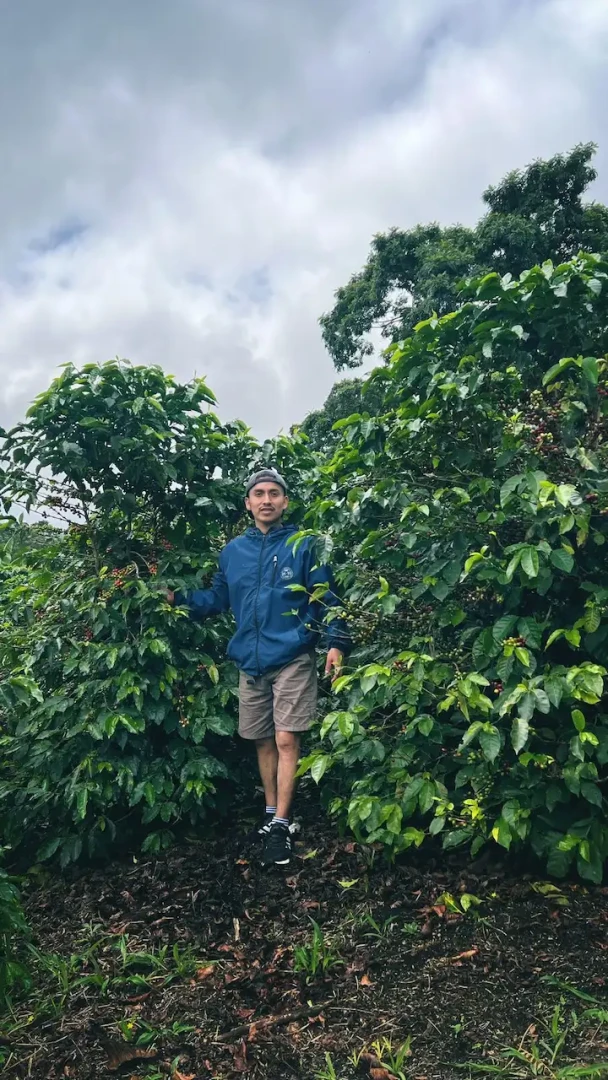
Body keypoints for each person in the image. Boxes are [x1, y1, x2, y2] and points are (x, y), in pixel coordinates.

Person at [167, 468, 351, 867]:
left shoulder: (305, 545)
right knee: (262, 739)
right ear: (248, 503)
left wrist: (335, 642)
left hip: (292, 656)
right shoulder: (234, 551)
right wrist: (174, 598)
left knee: (287, 739)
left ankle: (283, 823)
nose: (266, 500)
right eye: (258, 494)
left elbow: (327, 595)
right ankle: (271, 813)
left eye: (274, 494)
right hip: (249, 661)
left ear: (285, 502)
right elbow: (216, 598)